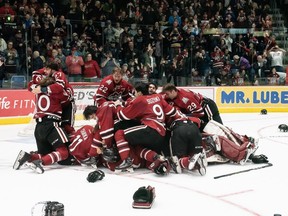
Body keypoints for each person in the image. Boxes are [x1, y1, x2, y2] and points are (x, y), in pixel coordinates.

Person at [13, 64, 72, 174]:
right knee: (63, 152)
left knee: (46, 153)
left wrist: (38, 84)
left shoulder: (37, 91)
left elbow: (31, 84)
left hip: (38, 128)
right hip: (51, 125)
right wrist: (66, 86)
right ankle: (40, 162)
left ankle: (28, 157)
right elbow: (68, 96)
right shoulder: (56, 92)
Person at [112, 82, 180, 170]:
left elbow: (122, 115)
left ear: (139, 93)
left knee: (119, 134)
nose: (134, 94)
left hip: (150, 129)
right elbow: (172, 112)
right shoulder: (157, 97)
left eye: (135, 92)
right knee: (139, 147)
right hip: (161, 133)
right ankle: (159, 158)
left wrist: (117, 105)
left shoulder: (140, 100)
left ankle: (126, 161)